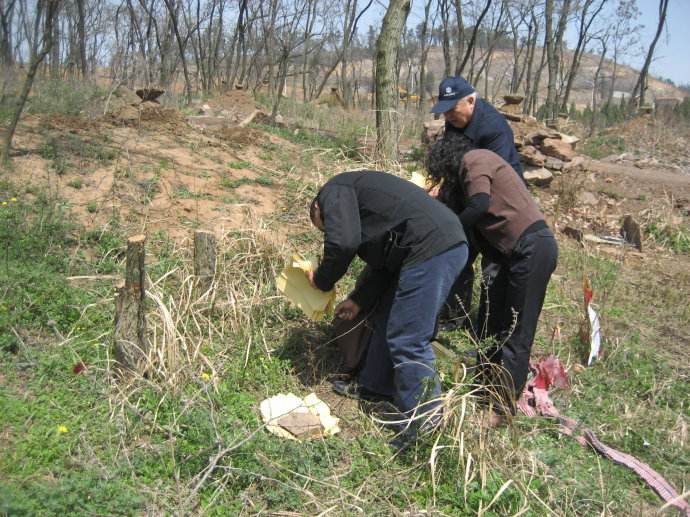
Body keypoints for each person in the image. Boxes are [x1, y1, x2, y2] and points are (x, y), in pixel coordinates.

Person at [307, 170, 468, 428]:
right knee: (389, 314)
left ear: (318, 208)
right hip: (434, 243)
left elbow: (343, 243)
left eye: (324, 226)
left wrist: (322, 281)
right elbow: (384, 266)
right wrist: (359, 299)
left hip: (432, 246)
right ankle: (376, 387)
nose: (329, 229)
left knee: (410, 338)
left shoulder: (332, 191)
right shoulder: (369, 213)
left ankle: (425, 425)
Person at [425, 132, 558, 419]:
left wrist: (448, 228)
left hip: (532, 248)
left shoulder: (476, 159)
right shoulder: (467, 182)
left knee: (515, 331)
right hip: (505, 255)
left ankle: (501, 411)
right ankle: (482, 393)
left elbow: (480, 203)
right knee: (489, 325)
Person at [430, 76, 524, 330]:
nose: (448, 116)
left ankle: (487, 329)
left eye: (452, 109)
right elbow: (452, 162)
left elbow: (493, 181)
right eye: (444, 110)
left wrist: (460, 220)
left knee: (493, 268)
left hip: (496, 203)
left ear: (471, 100)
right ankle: (454, 317)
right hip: (467, 197)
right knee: (459, 255)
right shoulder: (455, 122)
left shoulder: (493, 129)